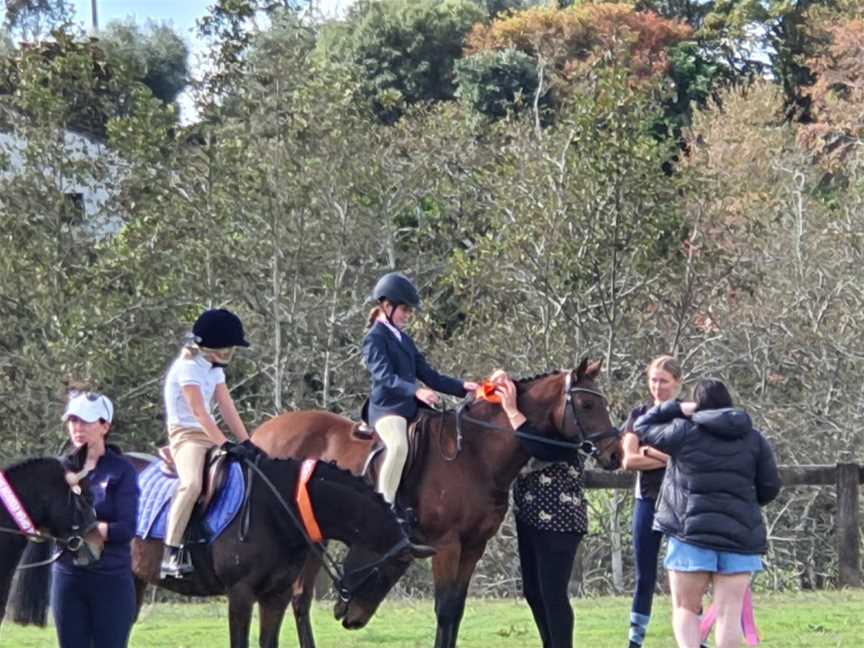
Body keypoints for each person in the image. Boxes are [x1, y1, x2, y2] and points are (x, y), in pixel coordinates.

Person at [634, 379, 781, 648]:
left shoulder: (683, 431)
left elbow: (642, 426)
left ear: (697, 404)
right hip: (740, 537)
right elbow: (770, 487)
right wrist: (744, 504)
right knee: (729, 614)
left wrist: (677, 408)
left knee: (685, 608)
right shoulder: (753, 438)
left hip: (690, 535)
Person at [363, 272, 478, 515]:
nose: (407, 315)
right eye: (404, 309)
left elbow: (430, 375)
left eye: (409, 311)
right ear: (386, 306)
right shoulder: (374, 338)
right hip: (387, 408)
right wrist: (416, 391)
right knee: (398, 447)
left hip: (411, 407)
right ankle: (384, 510)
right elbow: (385, 376)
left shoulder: (404, 339)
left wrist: (462, 387)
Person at [494, 370, 586, 648]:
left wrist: (511, 410)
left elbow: (539, 446)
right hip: (529, 517)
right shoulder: (536, 430)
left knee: (553, 594)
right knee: (534, 592)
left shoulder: (568, 436)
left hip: (561, 522)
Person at [160, 307, 254, 578]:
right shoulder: (187, 368)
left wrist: (247, 442)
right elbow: (199, 411)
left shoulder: (214, 370)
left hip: (209, 434)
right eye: (227, 349)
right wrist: (223, 442)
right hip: (186, 435)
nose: (230, 355)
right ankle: (171, 550)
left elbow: (226, 407)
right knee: (192, 485)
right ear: (212, 348)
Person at [52, 391, 139, 648]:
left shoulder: (122, 470)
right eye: (73, 421)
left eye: (86, 421)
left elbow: (126, 529)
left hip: (110, 579)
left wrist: (86, 527)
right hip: (68, 578)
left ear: (105, 426)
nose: (77, 428)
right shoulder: (58, 470)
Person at [621, 355, 681, 648]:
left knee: (684, 574)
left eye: (664, 381)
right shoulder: (639, 415)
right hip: (646, 500)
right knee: (645, 574)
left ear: (677, 383)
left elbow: (686, 464)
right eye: (653, 380)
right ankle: (636, 639)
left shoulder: (685, 416)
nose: (657, 387)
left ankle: (695, 636)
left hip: (680, 502)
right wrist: (666, 460)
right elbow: (629, 459)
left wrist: (653, 454)